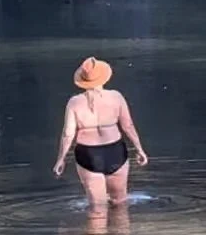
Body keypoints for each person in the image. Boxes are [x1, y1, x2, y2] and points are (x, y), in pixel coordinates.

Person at [53, 56, 148, 204]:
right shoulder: (116, 97)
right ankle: (121, 227)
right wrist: (139, 149)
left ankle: (97, 226)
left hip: (88, 154)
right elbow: (128, 126)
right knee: (120, 202)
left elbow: (68, 134)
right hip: (115, 151)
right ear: (104, 78)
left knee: (97, 208)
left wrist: (61, 159)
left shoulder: (75, 102)